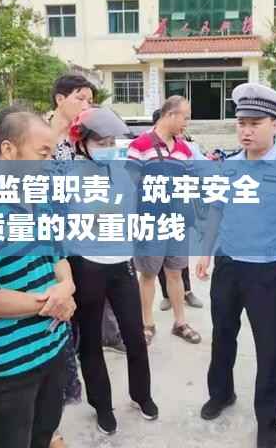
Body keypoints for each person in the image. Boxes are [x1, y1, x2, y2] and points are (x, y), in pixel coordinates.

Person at [0, 110, 77, 448]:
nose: (49, 163)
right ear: (8, 149)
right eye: (42, 153)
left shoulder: (41, 199)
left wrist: (67, 287)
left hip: (52, 345)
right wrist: (52, 303)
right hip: (8, 362)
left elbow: (58, 257)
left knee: (44, 431)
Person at [196, 83, 276, 448]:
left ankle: (268, 420)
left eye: (255, 123)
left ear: (275, 125)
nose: (246, 130)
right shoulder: (228, 164)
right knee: (222, 335)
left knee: (270, 348)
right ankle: (221, 393)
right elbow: (216, 209)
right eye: (241, 123)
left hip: (267, 272)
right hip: (228, 267)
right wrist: (205, 252)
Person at [68, 107, 158, 435]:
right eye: (101, 142)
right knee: (90, 340)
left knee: (135, 333)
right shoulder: (68, 175)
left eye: (111, 142)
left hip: (121, 265)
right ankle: (102, 406)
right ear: (82, 144)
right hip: (87, 266)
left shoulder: (121, 172)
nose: (108, 148)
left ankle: (142, 395)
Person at [127, 96, 201, 346]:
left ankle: (180, 323)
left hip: (177, 223)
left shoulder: (184, 149)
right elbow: (130, 186)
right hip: (150, 223)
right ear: (170, 114)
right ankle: (147, 324)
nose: (186, 123)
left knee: (176, 273)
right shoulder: (140, 145)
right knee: (148, 274)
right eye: (185, 117)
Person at [148, 108, 204, 311]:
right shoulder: (146, 147)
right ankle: (167, 295)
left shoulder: (185, 146)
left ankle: (186, 292)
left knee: (179, 259)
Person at [50, 74, 97, 161]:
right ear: (59, 99)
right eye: (80, 99)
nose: (86, 107)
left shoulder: (86, 138)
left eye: (89, 102)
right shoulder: (35, 132)